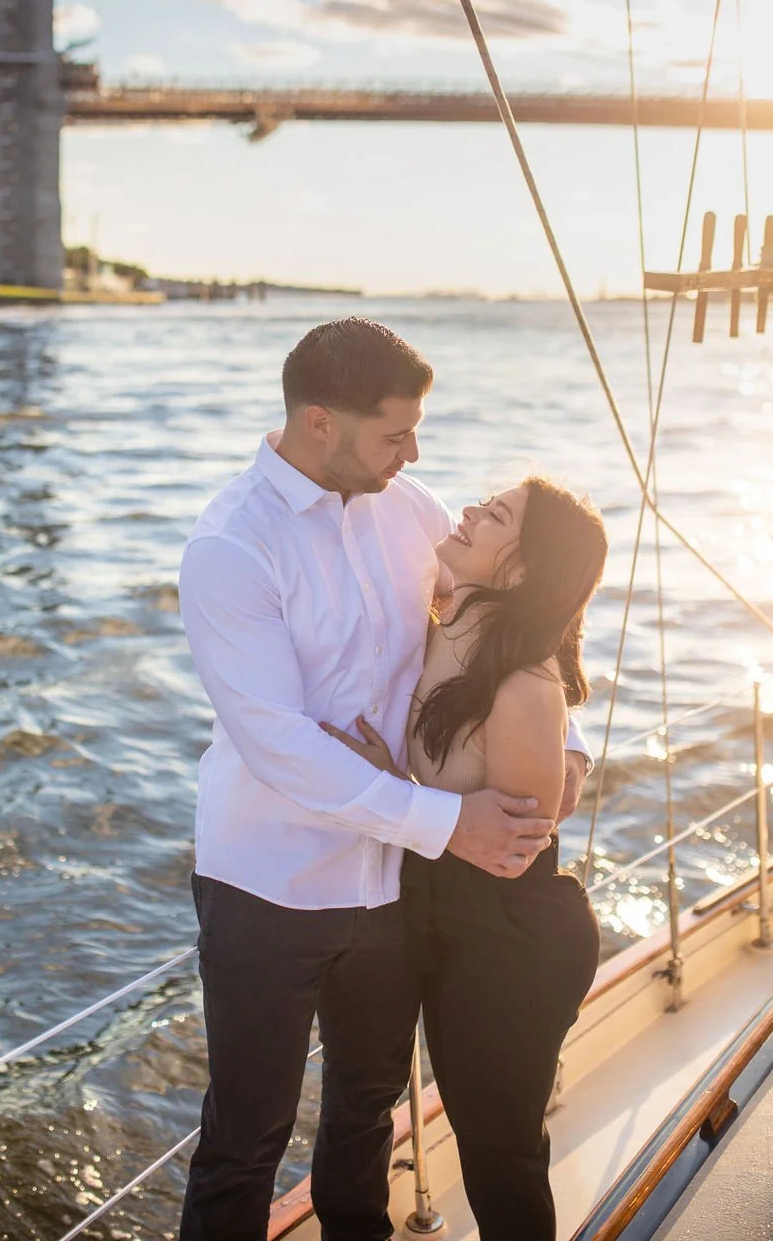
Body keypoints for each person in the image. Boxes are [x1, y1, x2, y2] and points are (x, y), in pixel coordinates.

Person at [177, 317, 592, 1241]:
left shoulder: (408, 508)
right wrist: (447, 821)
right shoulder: (231, 548)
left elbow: (525, 612)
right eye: (395, 432)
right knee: (246, 1137)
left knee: (367, 1110)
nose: (414, 451)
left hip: (393, 893)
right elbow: (280, 743)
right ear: (320, 421)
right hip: (268, 886)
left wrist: (571, 745)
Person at [323, 476, 607, 1241]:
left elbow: (512, 850)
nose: (471, 510)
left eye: (498, 513)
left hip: (510, 935)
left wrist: (389, 788)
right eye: (486, 498)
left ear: (517, 571)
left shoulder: (521, 690)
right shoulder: (452, 619)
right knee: (446, 1122)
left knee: (496, 1150)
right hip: (441, 915)